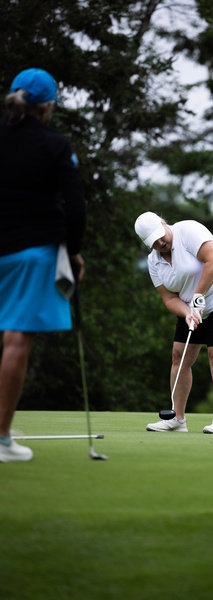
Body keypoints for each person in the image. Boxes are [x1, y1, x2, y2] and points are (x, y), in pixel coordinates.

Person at [0, 68, 86, 462]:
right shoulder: (55, 144)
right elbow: (76, 208)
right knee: (17, 339)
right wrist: (74, 253)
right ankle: (2, 439)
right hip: (32, 251)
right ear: (48, 106)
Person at [135, 211, 213, 434]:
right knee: (179, 356)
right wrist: (187, 312)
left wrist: (198, 296)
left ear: (164, 223)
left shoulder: (188, 231)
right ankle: (177, 419)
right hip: (192, 306)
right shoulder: (154, 261)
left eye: (160, 236)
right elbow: (169, 299)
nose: (160, 242)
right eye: (153, 242)